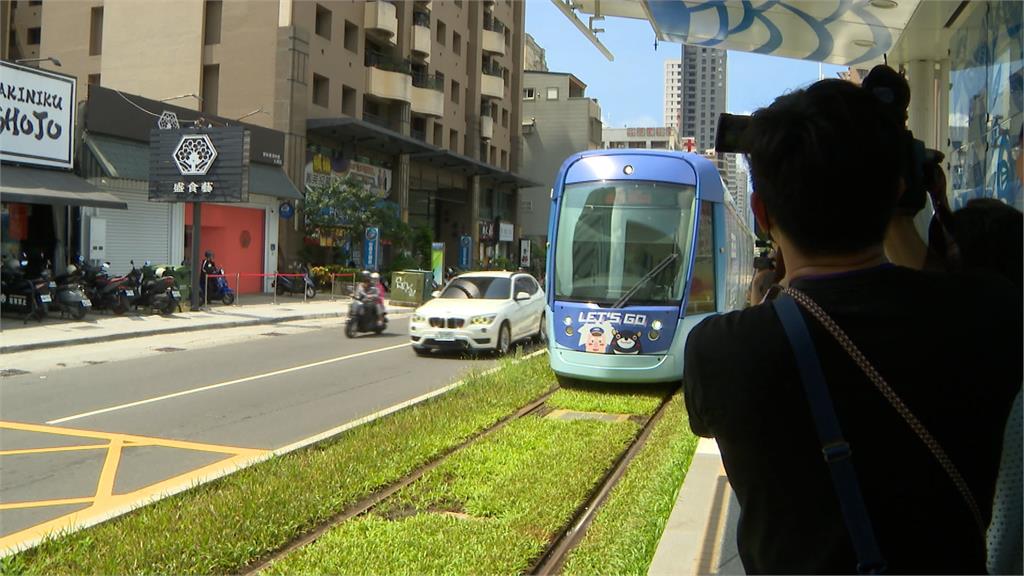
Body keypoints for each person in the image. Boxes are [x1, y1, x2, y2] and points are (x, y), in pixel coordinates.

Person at [682, 77, 1021, 573]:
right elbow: (947, 287)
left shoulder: (719, 353)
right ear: (899, 192)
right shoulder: (991, 314)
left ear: (761, 215)